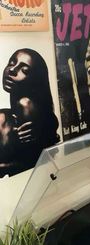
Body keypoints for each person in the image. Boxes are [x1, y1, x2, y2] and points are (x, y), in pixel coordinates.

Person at [0, 48, 59, 176]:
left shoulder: (25, 104)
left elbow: (30, 162)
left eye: (24, 70)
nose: (12, 70)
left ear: (36, 80)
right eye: (11, 63)